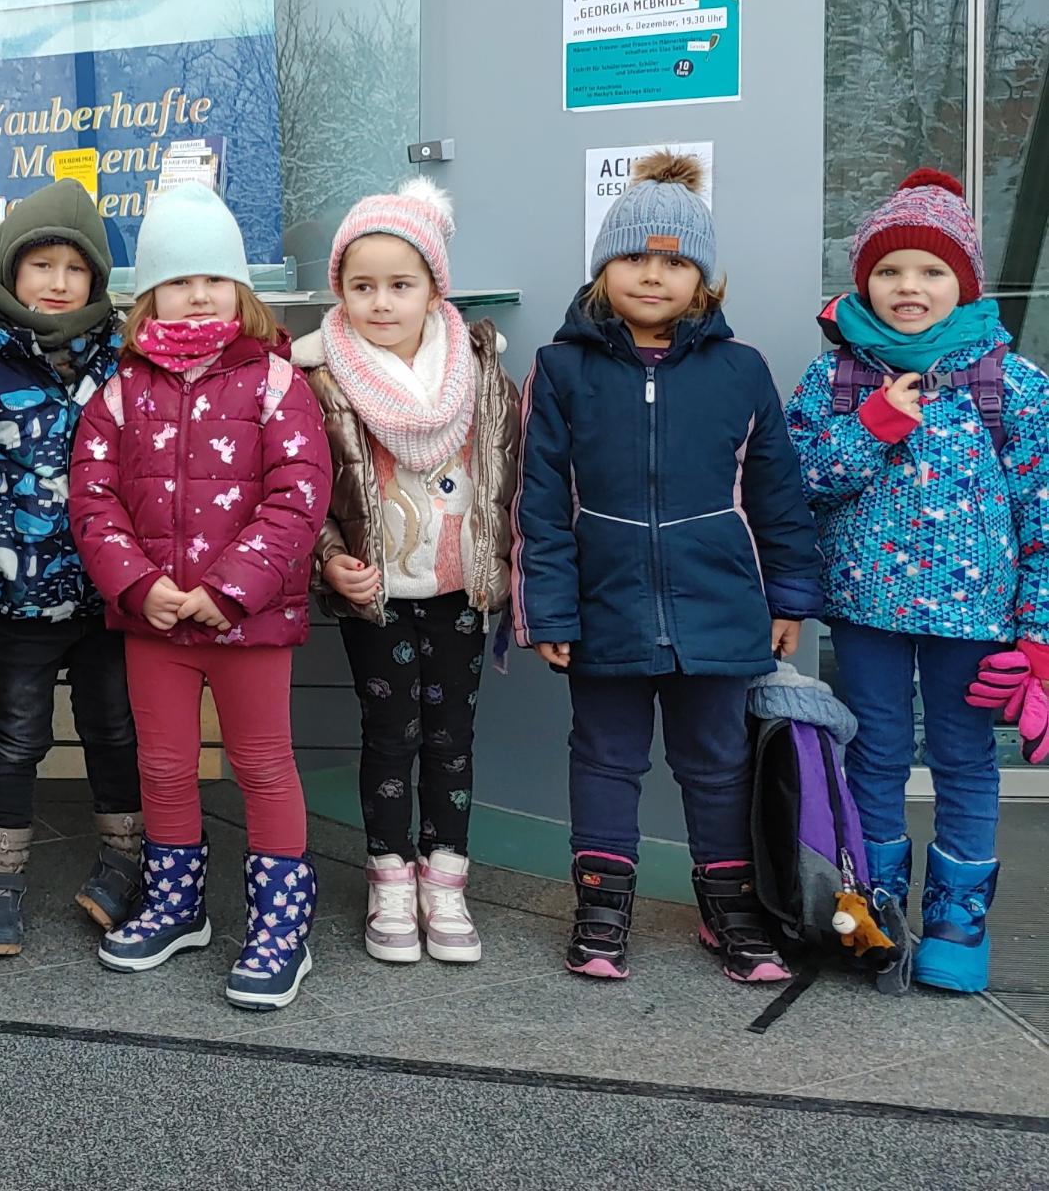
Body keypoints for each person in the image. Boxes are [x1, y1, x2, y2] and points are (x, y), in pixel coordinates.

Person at [513, 151, 822, 984]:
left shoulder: (741, 370)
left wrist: (789, 596)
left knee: (717, 764)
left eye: (676, 262)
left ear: (705, 281)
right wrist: (549, 611)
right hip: (603, 607)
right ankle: (602, 909)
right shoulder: (563, 369)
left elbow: (778, 494)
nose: (654, 276)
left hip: (720, 609)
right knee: (606, 759)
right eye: (635, 258)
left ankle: (732, 913)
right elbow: (537, 500)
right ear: (602, 269)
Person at [783, 168, 1049, 994]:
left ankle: (959, 923)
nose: (909, 287)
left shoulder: (1014, 385)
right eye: (890, 270)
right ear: (864, 280)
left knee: (968, 760)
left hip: (975, 622)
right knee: (876, 754)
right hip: (867, 611)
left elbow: (1043, 515)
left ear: (963, 284)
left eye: (931, 272)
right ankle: (877, 905)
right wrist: (871, 428)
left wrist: (1038, 632)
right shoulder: (835, 381)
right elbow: (794, 484)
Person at [70, 183, 332, 1012]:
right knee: (166, 765)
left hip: (247, 622)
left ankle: (280, 922)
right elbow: (92, 496)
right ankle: (177, 903)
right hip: (155, 622)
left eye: (215, 277)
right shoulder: (119, 391)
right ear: (150, 294)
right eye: (180, 279)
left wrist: (230, 590)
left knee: (261, 764)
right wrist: (141, 588)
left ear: (241, 290)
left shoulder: (276, 383)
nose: (198, 293)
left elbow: (299, 495)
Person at [298, 179, 519, 966]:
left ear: (434, 289)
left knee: (451, 738)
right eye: (363, 286)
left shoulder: (480, 370)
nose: (381, 302)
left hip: (461, 589)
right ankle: (391, 877)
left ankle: (446, 880)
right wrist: (330, 560)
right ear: (340, 291)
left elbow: (507, 472)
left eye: (401, 284)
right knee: (389, 737)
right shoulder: (320, 379)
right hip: (377, 595)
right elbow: (303, 489)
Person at [0, 179, 142, 958]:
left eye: (76, 269)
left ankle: (126, 861)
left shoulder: (123, 356)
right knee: (17, 734)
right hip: (21, 594)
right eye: (41, 265)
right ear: (7, 269)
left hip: (110, 591)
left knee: (113, 729)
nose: (58, 283)